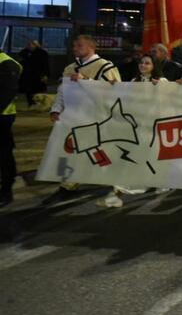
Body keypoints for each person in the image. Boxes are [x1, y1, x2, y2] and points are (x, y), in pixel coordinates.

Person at [44, 35, 126, 208]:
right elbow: (62, 91)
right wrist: (56, 109)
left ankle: (116, 184)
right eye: (74, 45)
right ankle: (68, 185)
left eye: (79, 45)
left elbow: (115, 92)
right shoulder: (70, 68)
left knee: (100, 153)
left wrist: (86, 81)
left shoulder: (105, 67)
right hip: (74, 118)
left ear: (91, 47)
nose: (75, 48)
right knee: (73, 152)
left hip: (98, 119)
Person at [0, 48, 22, 207]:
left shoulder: (7, 64)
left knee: (3, 153)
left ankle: (6, 189)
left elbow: (7, 93)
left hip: (2, 116)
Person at [18, 39, 48, 106]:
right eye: (28, 44)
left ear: (35, 45)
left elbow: (46, 65)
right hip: (27, 75)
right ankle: (31, 104)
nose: (29, 46)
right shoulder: (24, 52)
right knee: (28, 90)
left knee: (39, 90)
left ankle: (40, 104)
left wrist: (45, 75)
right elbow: (21, 62)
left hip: (38, 75)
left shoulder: (42, 53)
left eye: (30, 44)